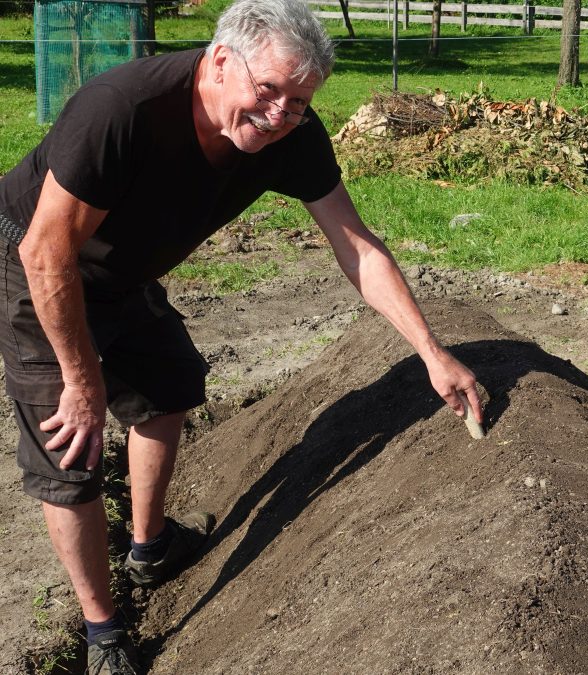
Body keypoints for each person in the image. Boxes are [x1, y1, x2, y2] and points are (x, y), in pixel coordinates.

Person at [0, 1, 483, 672]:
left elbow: (357, 248)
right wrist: (82, 381)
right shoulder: (121, 111)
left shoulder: (290, 133)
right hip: (37, 264)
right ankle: (103, 632)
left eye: (300, 100)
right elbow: (46, 254)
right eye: (270, 91)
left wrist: (432, 353)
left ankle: (149, 546)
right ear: (222, 60)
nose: (281, 114)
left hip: (125, 268)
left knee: (169, 385)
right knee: (70, 454)